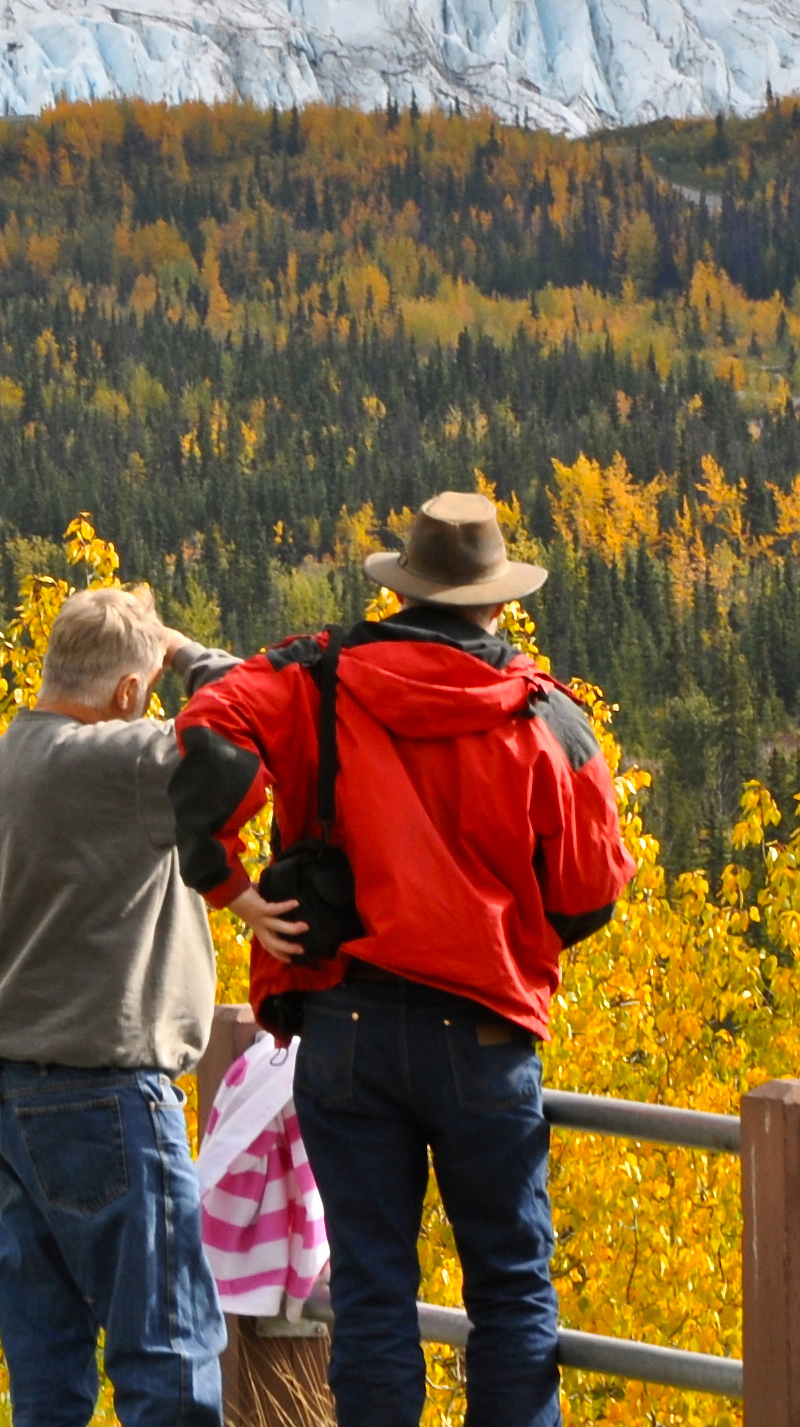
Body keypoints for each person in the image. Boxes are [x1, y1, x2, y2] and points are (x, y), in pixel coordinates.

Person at [173, 493, 633, 1427]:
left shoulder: (316, 678)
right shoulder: (551, 719)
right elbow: (590, 895)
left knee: (375, 1292)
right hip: (485, 1035)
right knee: (510, 1290)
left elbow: (212, 727)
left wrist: (229, 887)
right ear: (497, 604)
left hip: (346, 1026)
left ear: (405, 586)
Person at [0, 586, 266, 1427]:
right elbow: (250, 738)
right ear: (125, 694)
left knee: (46, 1365)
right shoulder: (125, 762)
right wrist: (186, 655)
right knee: (167, 1356)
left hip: (2, 1098)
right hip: (109, 1099)